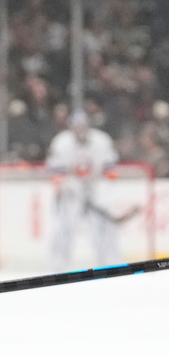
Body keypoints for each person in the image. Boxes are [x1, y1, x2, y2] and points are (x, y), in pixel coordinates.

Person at [46, 108, 125, 269]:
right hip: (71, 192)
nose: (80, 130)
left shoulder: (102, 141)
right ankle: (57, 267)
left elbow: (111, 171)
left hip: (95, 188)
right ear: (71, 127)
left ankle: (111, 265)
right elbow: (55, 174)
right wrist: (68, 185)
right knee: (63, 228)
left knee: (104, 228)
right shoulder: (61, 143)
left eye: (83, 126)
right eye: (77, 126)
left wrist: (102, 189)